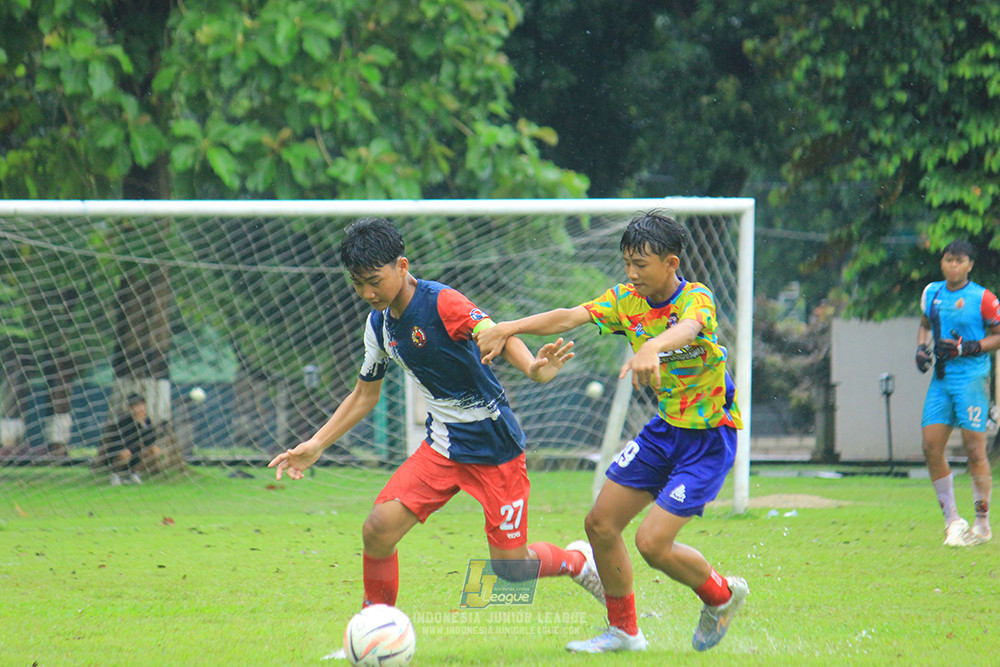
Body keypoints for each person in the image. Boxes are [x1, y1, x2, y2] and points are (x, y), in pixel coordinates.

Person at [267, 218, 605, 644]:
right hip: (443, 446)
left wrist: (533, 369)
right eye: (358, 284)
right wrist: (316, 444)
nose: (367, 293)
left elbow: (495, 333)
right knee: (378, 529)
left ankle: (578, 561)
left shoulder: (443, 302)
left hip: (495, 448)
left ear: (402, 266)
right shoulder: (378, 325)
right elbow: (364, 395)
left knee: (511, 570)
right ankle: (376, 631)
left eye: (374, 281)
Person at [475, 210, 748, 653]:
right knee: (600, 524)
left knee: (652, 544)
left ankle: (721, 596)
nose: (631, 273)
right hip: (664, 432)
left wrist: (653, 346)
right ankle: (624, 632)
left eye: (641, 264)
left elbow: (688, 329)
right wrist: (511, 327)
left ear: (671, 264)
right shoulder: (625, 300)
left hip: (709, 438)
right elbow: (570, 316)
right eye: (627, 263)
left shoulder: (696, 298)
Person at [915, 240, 999, 547]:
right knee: (930, 446)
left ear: (970, 265)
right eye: (948, 260)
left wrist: (969, 347)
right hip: (941, 379)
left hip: (972, 379)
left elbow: (998, 335)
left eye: (959, 261)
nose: (953, 266)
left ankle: (982, 523)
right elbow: (925, 325)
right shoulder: (931, 293)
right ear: (942, 262)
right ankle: (952, 520)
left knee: (974, 449)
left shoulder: (983, 298)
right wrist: (921, 348)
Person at [102, 393, 160, 486]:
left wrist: (142, 425)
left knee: (155, 450)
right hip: (122, 453)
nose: (140, 409)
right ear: (130, 408)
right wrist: (136, 424)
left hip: (137, 453)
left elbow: (150, 441)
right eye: (136, 406)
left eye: (141, 405)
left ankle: (134, 473)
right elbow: (121, 442)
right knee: (126, 454)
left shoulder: (146, 421)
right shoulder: (124, 421)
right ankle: (116, 474)